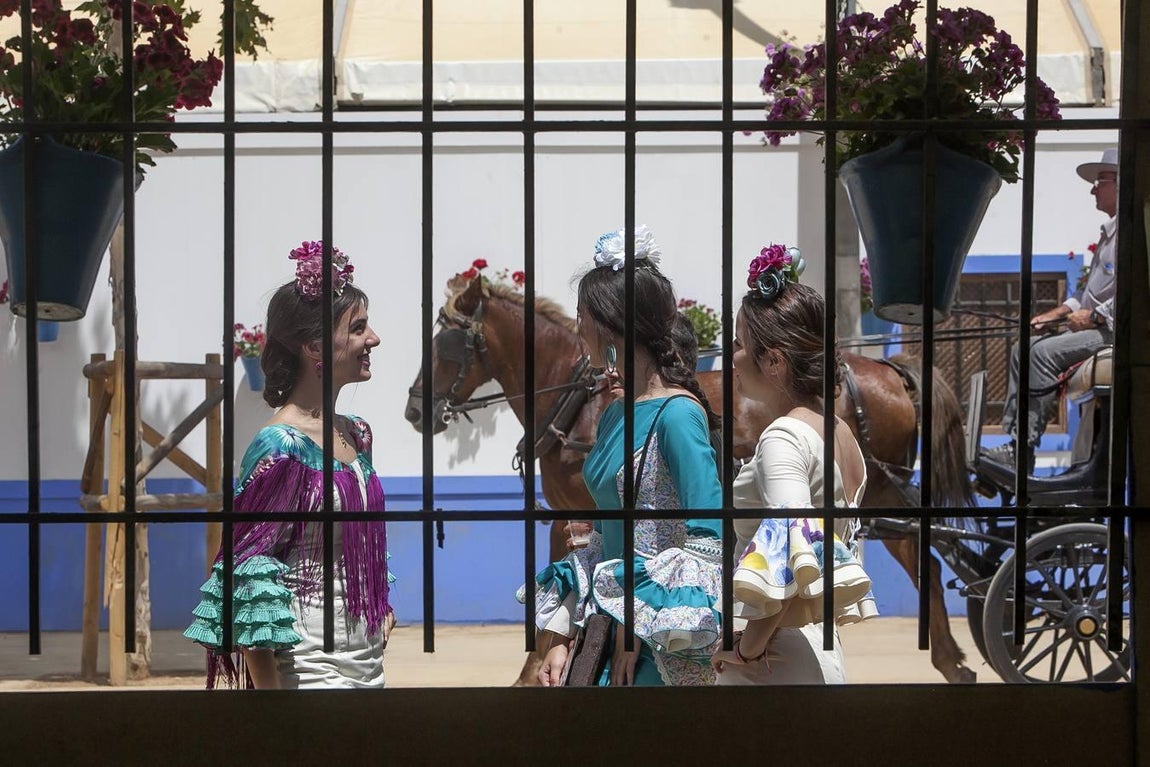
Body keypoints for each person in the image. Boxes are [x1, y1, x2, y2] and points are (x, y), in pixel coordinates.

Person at [185, 240, 396, 689]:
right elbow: (249, 571)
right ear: (314, 346)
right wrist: (271, 703)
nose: (373, 339)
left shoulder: (357, 433)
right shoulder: (280, 445)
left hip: (368, 658)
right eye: (358, 328)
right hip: (308, 667)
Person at [534, 224, 725, 687]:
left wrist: (638, 630)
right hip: (610, 626)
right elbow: (605, 535)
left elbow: (708, 535)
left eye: (582, 314)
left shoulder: (678, 414)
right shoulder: (616, 413)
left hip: (663, 640)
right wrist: (564, 635)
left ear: (609, 324)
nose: (577, 325)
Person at [710, 244, 875, 685]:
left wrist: (746, 648)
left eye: (740, 344)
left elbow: (789, 554)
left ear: (775, 361)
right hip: (821, 648)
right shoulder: (840, 434)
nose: (732, 357)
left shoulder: (783, 438)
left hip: (775, 660)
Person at [985, 148, 1118, 474]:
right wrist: (1056, 313)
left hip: (1111, 331)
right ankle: (1017, 446)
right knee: (1022, 348)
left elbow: (1131, 293)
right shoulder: (1108, 234)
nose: (1093, 189)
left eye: (1100, 181)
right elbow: (1086, 293)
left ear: (1120, 183)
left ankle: (1024, 443)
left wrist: (1096, 317)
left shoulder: (1127, 233)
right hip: (1096, 327)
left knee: (1041, 355)